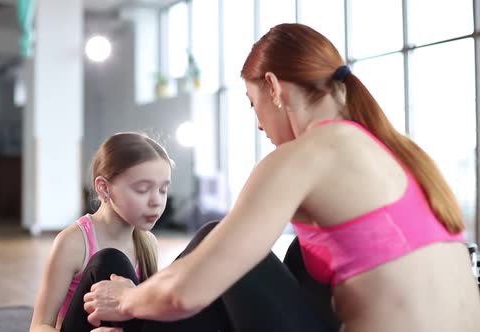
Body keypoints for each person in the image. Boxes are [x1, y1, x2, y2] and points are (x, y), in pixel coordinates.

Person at [83, 23, 480, 332]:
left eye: (253, 105)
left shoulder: (303, 157)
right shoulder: (398, 154)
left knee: (208, 243)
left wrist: (129, 300)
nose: (258, 125)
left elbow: (187, 293)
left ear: (272, 88)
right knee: (300, 258)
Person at [29, 132, 172, 332]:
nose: (157, 201)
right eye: (142, 189)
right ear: (104, 188)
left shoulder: (148, 243)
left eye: (163, 190)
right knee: (111, 260)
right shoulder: (73, 242)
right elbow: (39, 325)